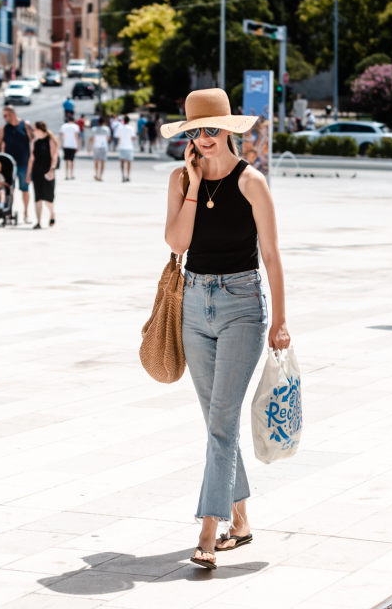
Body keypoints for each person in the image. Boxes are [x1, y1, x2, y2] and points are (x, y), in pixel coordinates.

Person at [161, 88, 290, 571]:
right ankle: (240, 520)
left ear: (231, 130)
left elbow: (273, 256)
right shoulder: (180, 178)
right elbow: (177, 240)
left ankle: (208, 530)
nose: (204, 138)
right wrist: (193, 183)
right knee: (217, 419)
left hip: (242, 306)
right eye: (196, 131)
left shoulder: (252, 182)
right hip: (193, 304)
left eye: (212, 129)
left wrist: (279, 319)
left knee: (221, 421)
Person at [0, 105, 32, 224]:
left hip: (24, 163)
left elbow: (33, 142)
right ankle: (8, 213)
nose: (4, 118)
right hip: (9, 164)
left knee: (25, 190)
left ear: (12, 114)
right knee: (9, 190)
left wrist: (32, 161)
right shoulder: (4, 127)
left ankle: (26, 214)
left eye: (5, 115)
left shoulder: (25, 125)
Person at [28, 120, 58, 229]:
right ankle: (38, 222)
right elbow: (31, 158)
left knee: (48, 199)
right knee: (38, 198)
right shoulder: (34, 142)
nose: (33, 132)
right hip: (36, 173)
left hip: (47, 173)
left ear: (40, 130)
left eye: (34, 129)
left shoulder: (50, 141)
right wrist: (28, 173)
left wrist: (52, 170)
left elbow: (54, 156)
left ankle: (52, 214)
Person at [88, 116, 110, 181]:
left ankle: (97, 174)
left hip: (96, 146)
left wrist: (88, 148)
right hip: (103, 146)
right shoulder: (106, 129)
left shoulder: (94, 129)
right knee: (102, 162)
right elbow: (108, 138)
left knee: (96, 162)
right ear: (104, 122)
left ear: (97, 122)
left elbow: (91, 139)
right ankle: (100, 176)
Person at [115, 113, 136, 182]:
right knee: (129, 163)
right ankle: (128, 176)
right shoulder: (131, 128)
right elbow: (133, 138)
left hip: (122, 146)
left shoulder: (119, 127)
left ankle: (123, 175)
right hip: (129, 146)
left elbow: (117, 138)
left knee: (122, 162)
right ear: (129, 121)